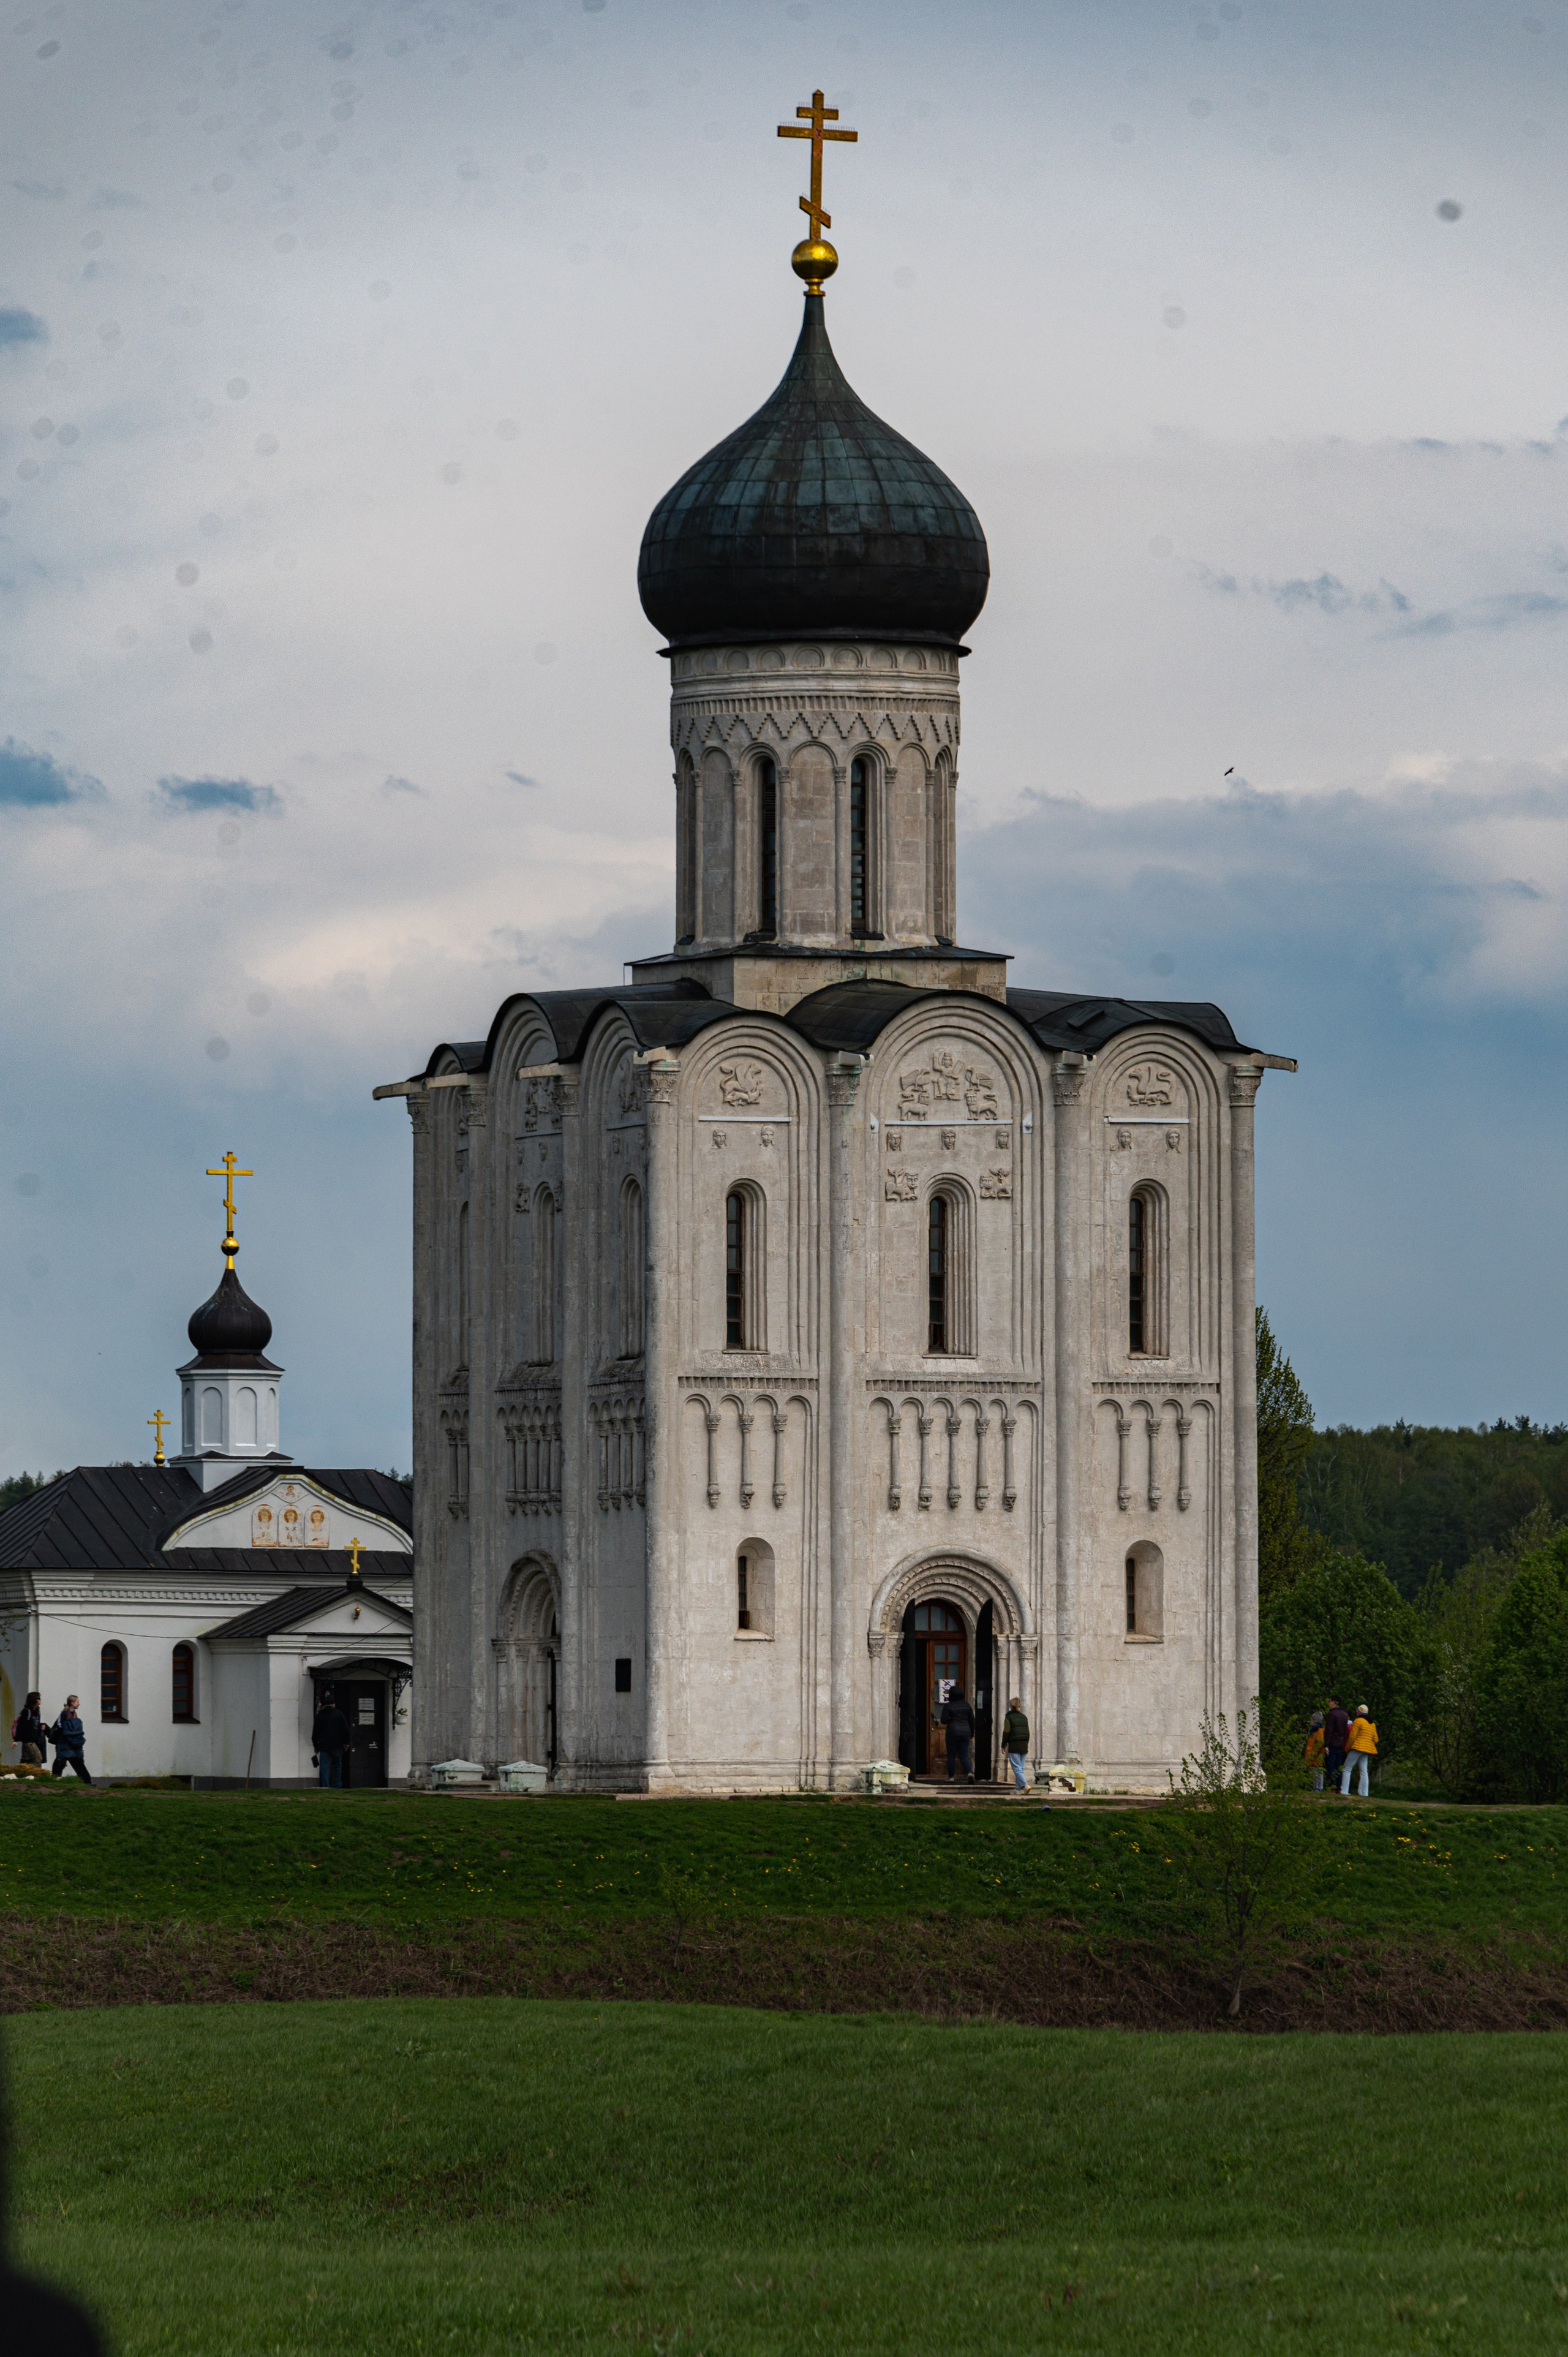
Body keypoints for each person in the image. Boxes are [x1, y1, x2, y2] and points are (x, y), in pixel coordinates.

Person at [48, 1696, 92, 1783]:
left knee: (62, 1761)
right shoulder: (66, 1714)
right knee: (74, 1762)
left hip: (68, 1743)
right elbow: (65, 1728)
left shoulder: (71, 1713)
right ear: (72, 1703)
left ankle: (55, 1779)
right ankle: (86, 1782)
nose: (79, 1704)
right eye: (77, 1702)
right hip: (67, 1743)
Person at [312, 1692, 351, 1788]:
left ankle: (326, 1785)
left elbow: (315, 1733)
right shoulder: (339, 1714)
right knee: (337, 1766)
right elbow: (345, 1730)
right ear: (333, 1704)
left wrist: (316, 1746)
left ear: (325, 1705)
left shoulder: (320, 1716)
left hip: (324, 1746)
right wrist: (346, 1743)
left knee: (325, 1767)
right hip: (337, 1746)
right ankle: (337, 1785)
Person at [1340, 1702, 1378, 1798]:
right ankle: (1364, 1793)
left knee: (1347, 1769)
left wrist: (1347, 1748)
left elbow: (1352, 1737)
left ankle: (1344, 1791)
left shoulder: (1358, 1721)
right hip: (1367, 1750)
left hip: (1357, 1748)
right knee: (1364, 1772)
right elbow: (1376, 1739)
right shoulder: (1372, 1724)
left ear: (1358, 1712)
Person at [940, 1685, 976, 1782]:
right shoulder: (967, 1706)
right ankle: (969, 1773)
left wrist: (951, 1719)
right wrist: (972, 1734)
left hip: (953, 1731)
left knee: (951, 1755)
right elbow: (972, 1721)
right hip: (966, 1732)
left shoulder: (948, 1706)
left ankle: (951, 1777)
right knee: (963, 1755)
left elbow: (943, 1721)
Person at [12, 1691, 48, 1772]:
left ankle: (20, 1774)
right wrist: (16, 1740)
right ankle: (35, 1774)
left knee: (26, 1760)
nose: (40, 1700)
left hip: (33, 1740)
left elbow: (34, 1726)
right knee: (38, 1758)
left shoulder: (37, 1712)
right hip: (29, 1741)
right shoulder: (27, 1712)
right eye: (38, 1698)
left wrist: (41, 1727)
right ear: (34, 1700)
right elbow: (21, 1726)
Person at [1001, 1696, 1031, 1793]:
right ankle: (1017, 1790)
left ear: (1011, 1706)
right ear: (1019, 1706)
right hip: (1024, 1744)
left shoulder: (1009, 1717)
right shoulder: (1024, 1717)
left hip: (1014, 1744)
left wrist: (1003, 1745)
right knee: (1020, 1768)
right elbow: (1028, 1732)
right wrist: (1026, 1743)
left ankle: (1025, 1785)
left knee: (1016, 1767)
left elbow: (1006, 1732)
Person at [1322, 1695, 1351, 1793]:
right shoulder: (1344, 1715)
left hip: (1332, 1743)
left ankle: (1332, 1787)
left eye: (1329, 1702)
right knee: (1338, 1767)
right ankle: (1339, 1788)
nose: (1328, 1704)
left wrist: (1326, 1745)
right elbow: (1345, 1732)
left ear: (1334, 1702)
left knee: (1330, 1766)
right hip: (1340, 1743)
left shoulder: (1332, 1714)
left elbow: (1329, 1731)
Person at [1303, 1710, 1325, 1793]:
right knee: (1313, 1773)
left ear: (1315, 1721)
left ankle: (1319, 1788)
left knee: (1318, 1772)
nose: (1310, 1721)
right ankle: (1315, 1787)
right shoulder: (1313, 1731)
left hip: (1317, 1757)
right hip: (1312, 1756)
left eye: (1312, 1720)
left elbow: (1320, 1743)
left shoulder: (1319, 1731)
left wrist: (1314, 1753)